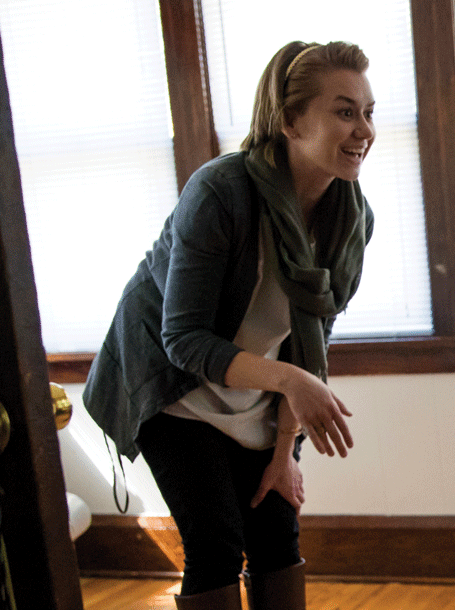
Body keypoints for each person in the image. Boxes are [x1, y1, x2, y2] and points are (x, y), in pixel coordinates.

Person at [82, 40, 376, 610]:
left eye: (368, 112)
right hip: (173, 387)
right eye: (345, 111)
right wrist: (292, 382)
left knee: (276, 533)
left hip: (257, 389)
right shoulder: (221, 191)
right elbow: (183, 340)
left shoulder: (351, 218)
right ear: (291, 120)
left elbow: (308, 345)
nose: (363, 128)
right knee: (216, 543)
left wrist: (284, 451)